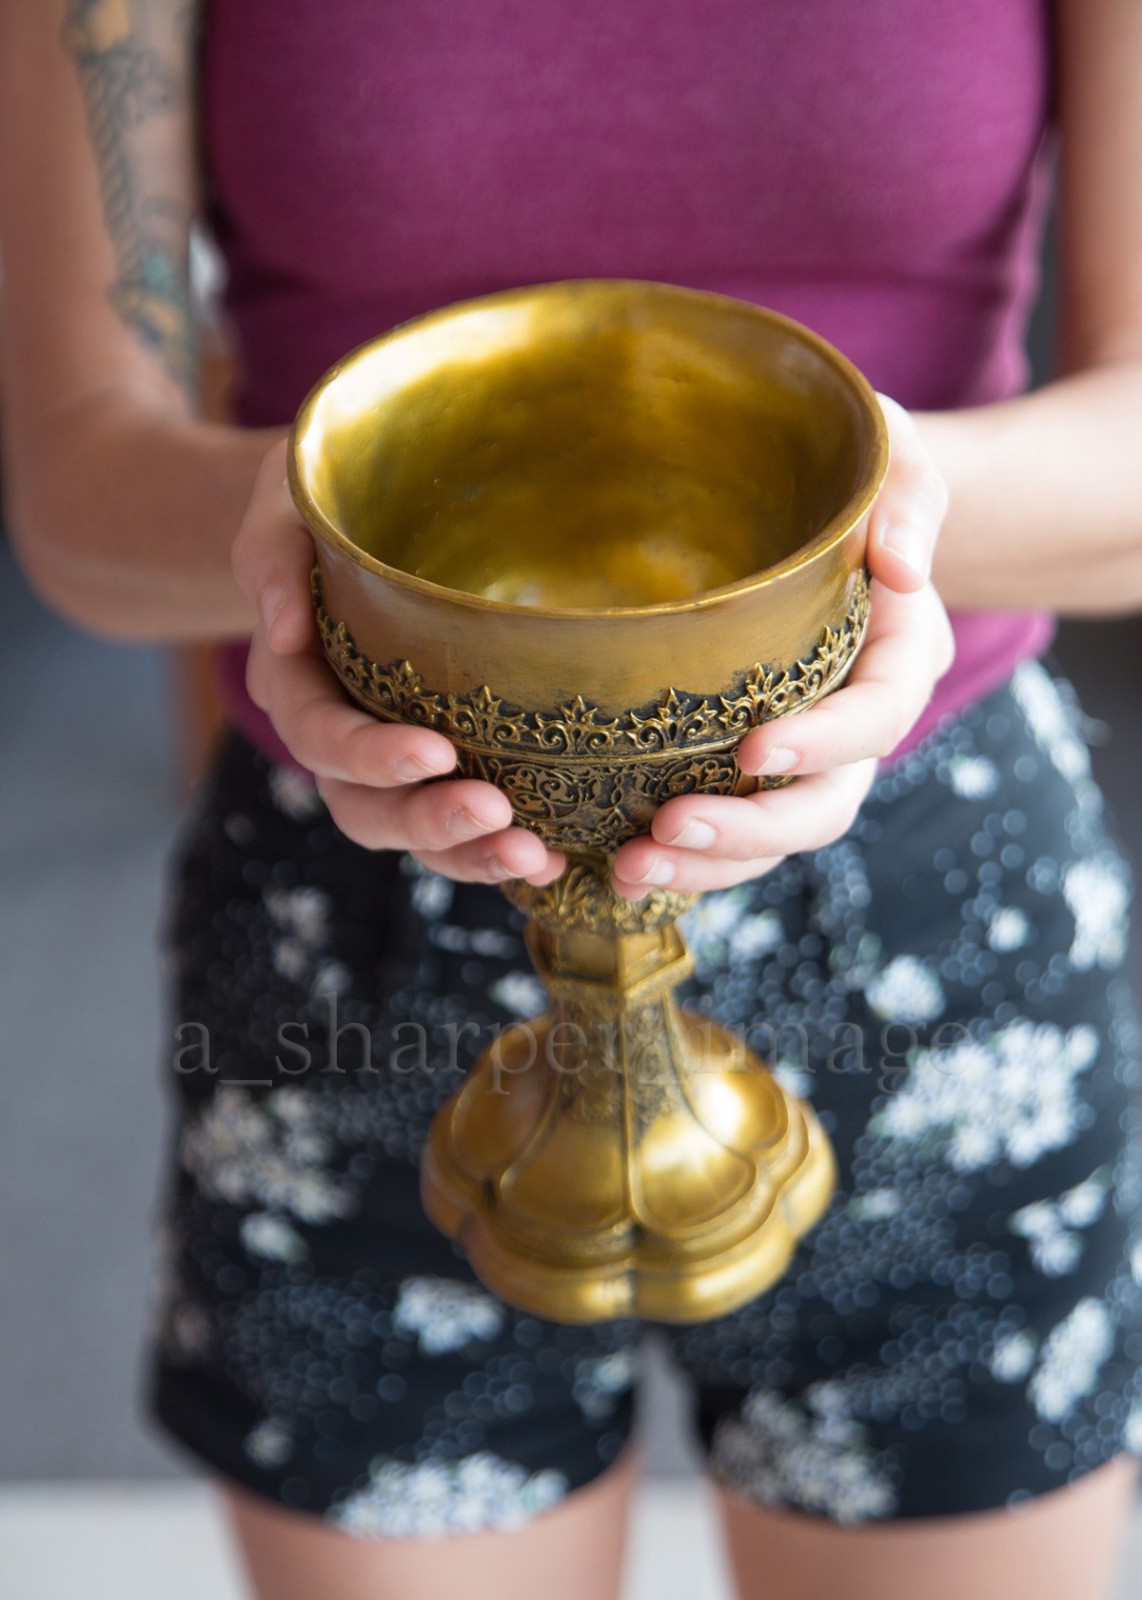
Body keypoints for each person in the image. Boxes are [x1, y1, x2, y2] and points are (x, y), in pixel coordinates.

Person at [2, 2, 1141, 1597]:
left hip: (934, 921)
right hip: (359, 933)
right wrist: (288, 535)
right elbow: (77, 488)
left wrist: (869, 541)